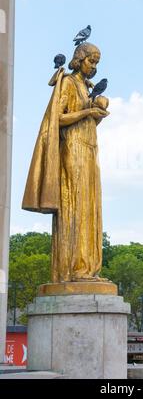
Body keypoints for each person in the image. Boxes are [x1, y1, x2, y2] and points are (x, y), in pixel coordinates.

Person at [22, 42, 109, 282]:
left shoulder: (87, 88)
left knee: (91, 207)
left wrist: (96, 115)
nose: (93, 67)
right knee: (76, 205)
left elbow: (86, 121)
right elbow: (57, 117)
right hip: (73, 150)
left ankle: (89, 268)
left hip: (90, 151)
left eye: (97, 63)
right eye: (91, 61)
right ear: (79, 59)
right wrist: (86, 112)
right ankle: (72, 269)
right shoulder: (69, 83)